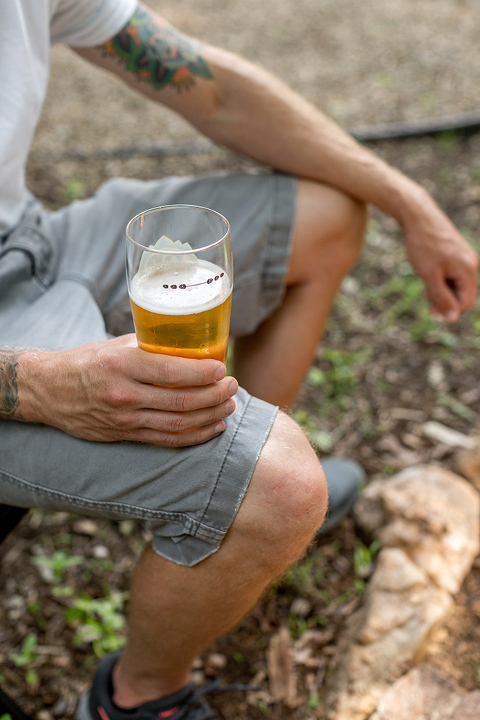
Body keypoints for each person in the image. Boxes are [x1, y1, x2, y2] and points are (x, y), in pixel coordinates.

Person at [0, 1, 477, 719]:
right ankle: (139, 699)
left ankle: (231, 523)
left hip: (28, 243)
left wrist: (406, 199)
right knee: (282, 489)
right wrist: (33, 384)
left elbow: (210, 86)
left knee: (325, 218)